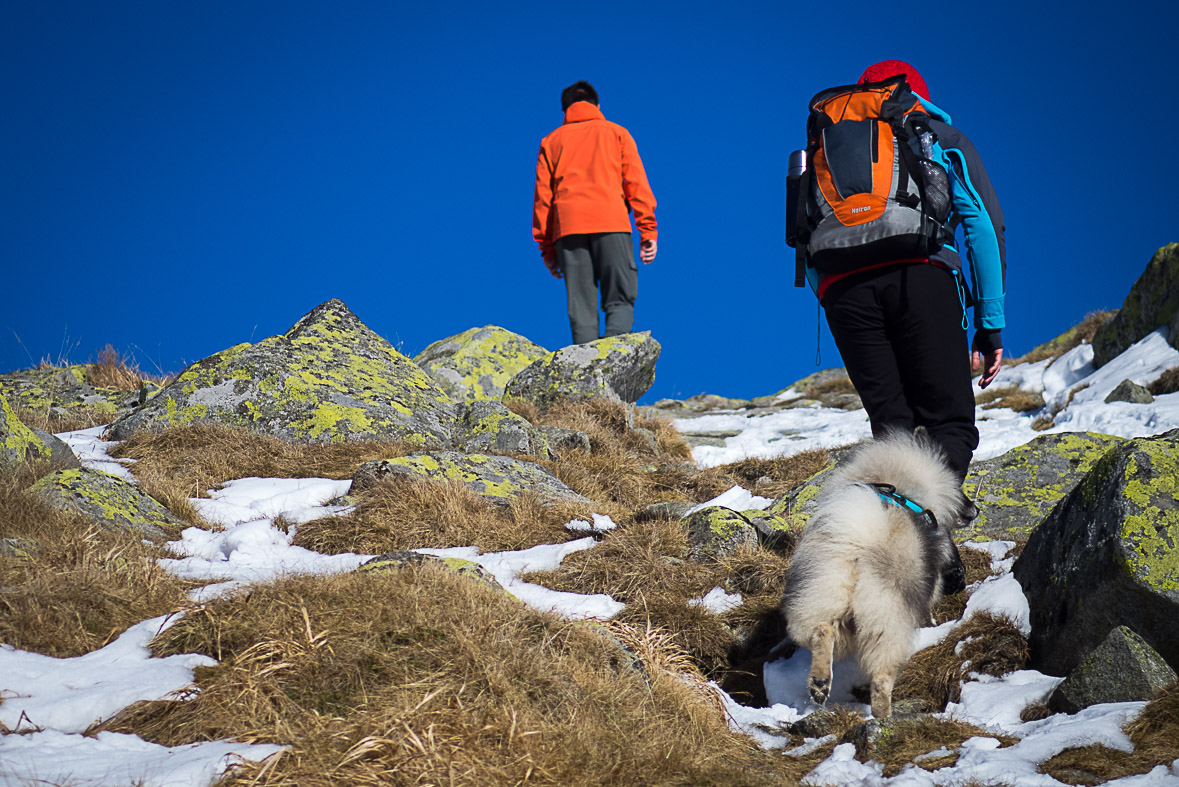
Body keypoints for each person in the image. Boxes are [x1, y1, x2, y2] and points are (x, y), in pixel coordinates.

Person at [807, 60, 1006, 484]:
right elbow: (984, 226)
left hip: (843, 288)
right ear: (915, 92)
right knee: (949, 425)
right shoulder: (936, 134)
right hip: (921, 273)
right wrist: (990, 324)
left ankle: (897, 536)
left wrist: (832, 294)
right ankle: (928, 533)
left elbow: (802, 238)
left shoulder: (823, 145)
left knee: (891, 428)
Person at [532, 81, 658, 345]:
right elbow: (636, 184)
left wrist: (548, 250)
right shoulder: (616, 133)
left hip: (568, 230)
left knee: (582, 311)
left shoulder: (551, 142)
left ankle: (585, 373)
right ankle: (614, 364)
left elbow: (543, 199)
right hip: (611, 222)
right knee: (620, 298)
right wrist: (647, 230)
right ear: (598, 106)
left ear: (565, 110)